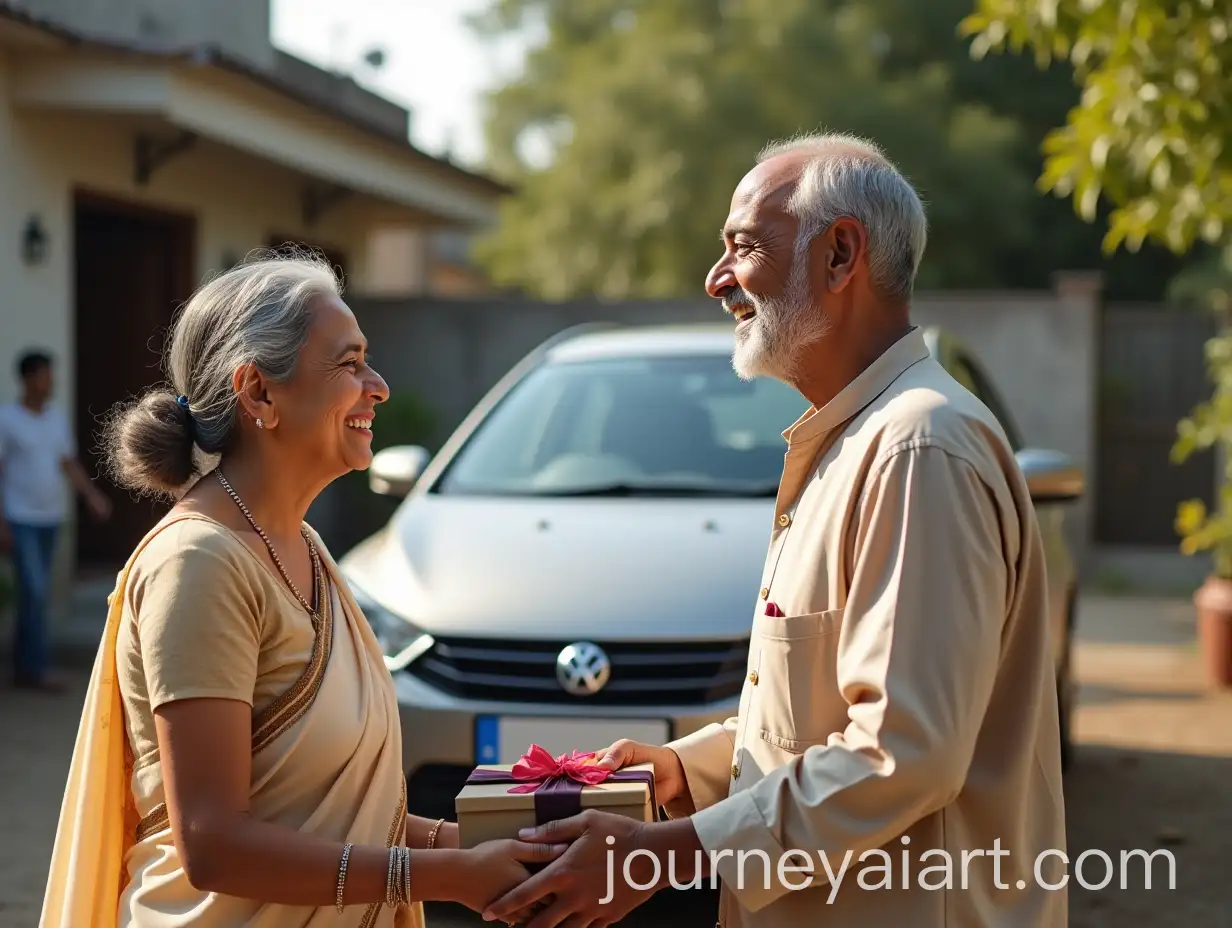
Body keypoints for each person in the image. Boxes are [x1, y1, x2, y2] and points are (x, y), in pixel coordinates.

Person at [483, 134, 1067, 927]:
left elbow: (903, 753)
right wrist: (687, 769)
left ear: (840, 255)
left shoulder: (917, 449)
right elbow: (820, 716)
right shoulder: (855, 442)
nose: (717, 279)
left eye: (743, 247)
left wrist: (660, 854)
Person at [40, 252, 564, 928]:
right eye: (348, 364)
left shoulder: (306, 549)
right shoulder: (199, 563)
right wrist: (441, 875)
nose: (377, 386)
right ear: (259, 392)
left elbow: (335, 813)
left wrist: (480, 845)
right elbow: (215, 844)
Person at [0, 348, 112, 690]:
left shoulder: (55, 420)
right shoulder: (7, 419)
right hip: (20, 519)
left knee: (38, 594)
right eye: (46, 375)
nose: (51, 382)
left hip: (51, 518)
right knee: (33, 591)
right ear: (29, 378)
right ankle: (35, 669)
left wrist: (91, 496)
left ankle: (24, 668)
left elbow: (67, 463)